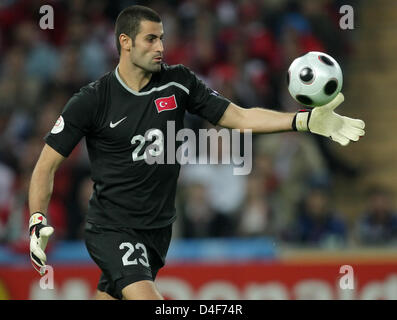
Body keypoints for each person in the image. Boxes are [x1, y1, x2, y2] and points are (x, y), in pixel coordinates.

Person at [28, 5, 365, 300]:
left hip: (157, 230)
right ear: (125, 42)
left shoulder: (179, 83)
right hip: (112, 228)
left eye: (161, 38)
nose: (161, 46)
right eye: (150, 39)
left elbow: (240, 116)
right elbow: (46, 165)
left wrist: (304, 120)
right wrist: (37, 219)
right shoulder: (92, 99)